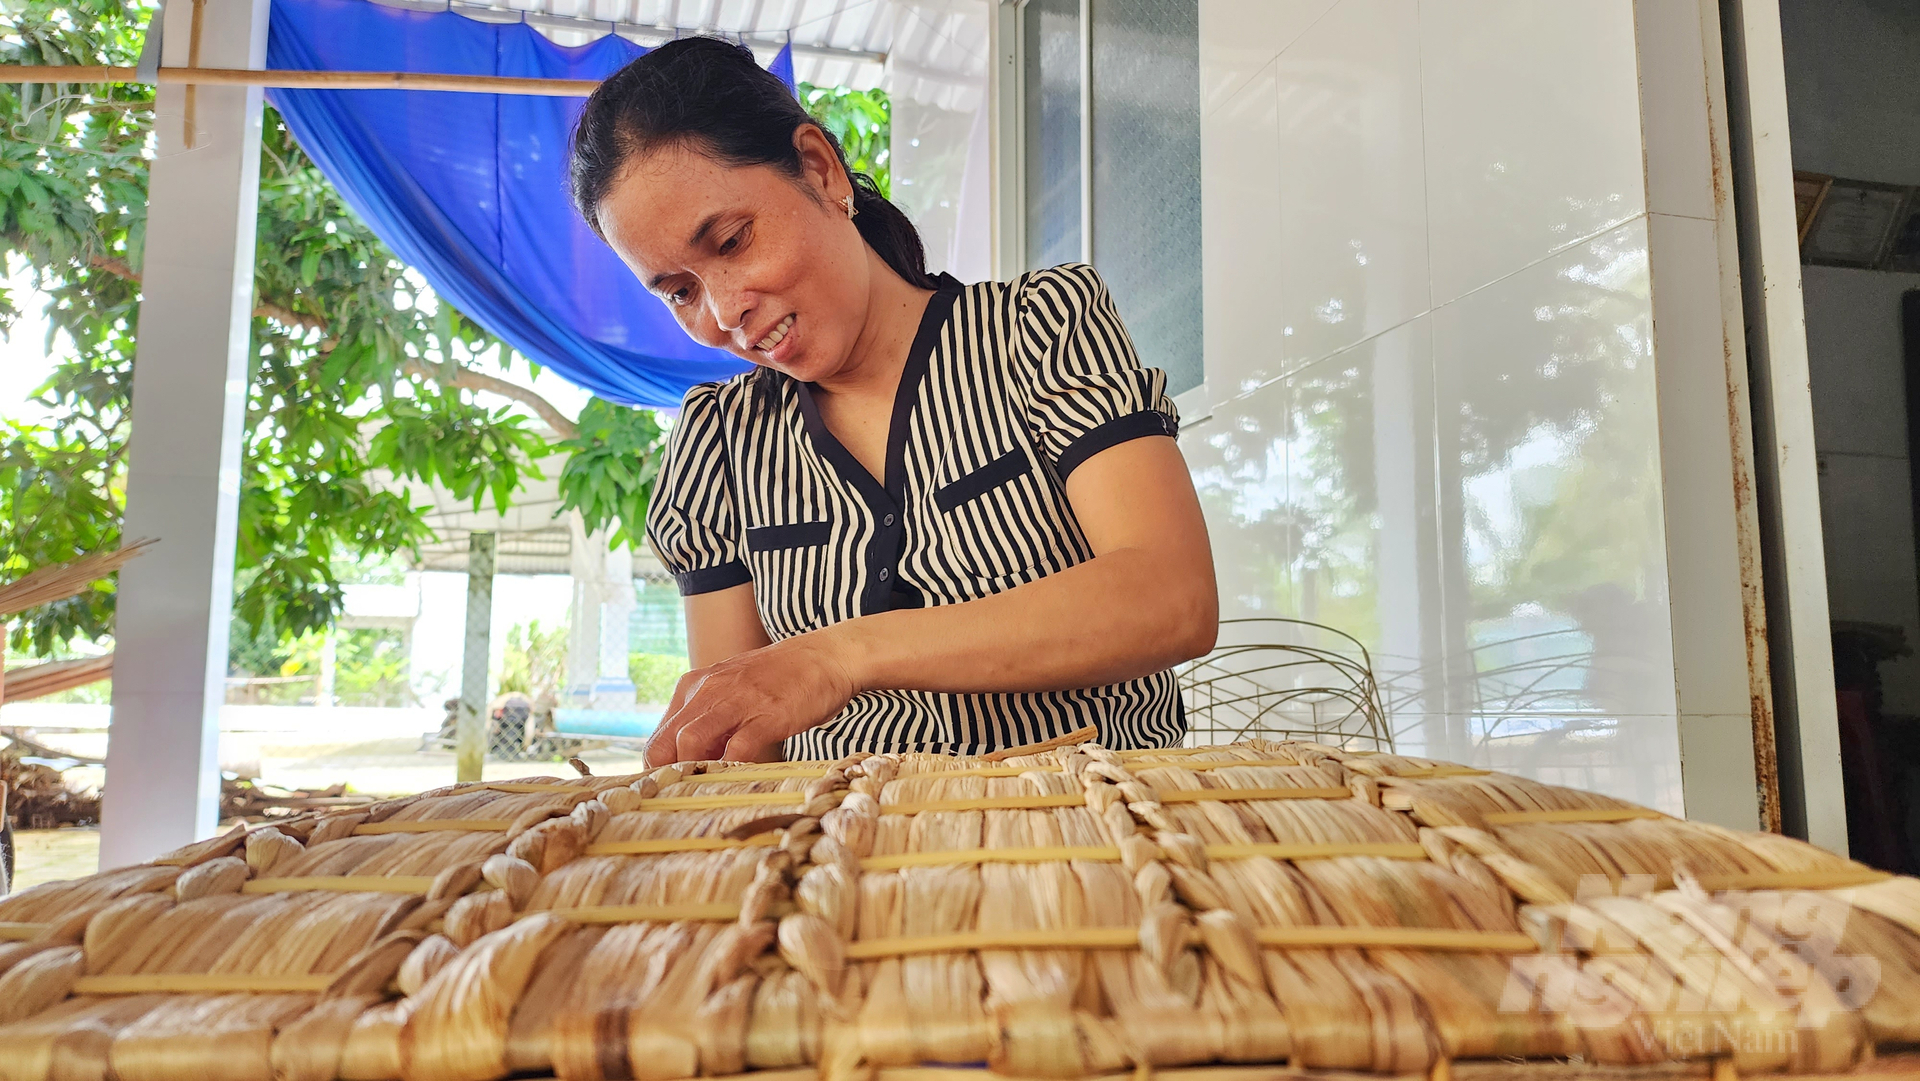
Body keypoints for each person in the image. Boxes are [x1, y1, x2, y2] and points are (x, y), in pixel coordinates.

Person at [568, 37, 1218, 765]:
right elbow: (739, 744)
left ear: (820, 170)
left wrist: (839, 656)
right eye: (681, 291)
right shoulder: (721, 442)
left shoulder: (1040, 329)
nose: (723, 312)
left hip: (1093, 837)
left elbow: (1172, 595)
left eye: (732, 239)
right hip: (844, 859)